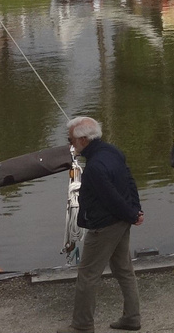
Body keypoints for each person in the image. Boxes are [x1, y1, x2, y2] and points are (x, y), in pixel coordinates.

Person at [63, 116, 142, 333]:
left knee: (88, 275)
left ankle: (82, 325)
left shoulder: (95, 166)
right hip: (122, 221)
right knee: (124, 269)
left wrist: (133, 214)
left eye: (71, 140)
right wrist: (135, 210)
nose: (70, 144)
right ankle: (132, 318)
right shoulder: (112, 151)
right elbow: (129, 180)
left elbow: (111, 198)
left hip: (104, 226)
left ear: (84, 140)